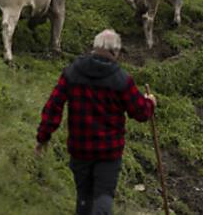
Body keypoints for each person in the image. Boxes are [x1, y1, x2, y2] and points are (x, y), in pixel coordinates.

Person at [35, 28, 156, 215]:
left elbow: (54, 106)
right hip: (109, 151)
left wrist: (43, 137)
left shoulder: (72, 72)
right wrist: (150, 102)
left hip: (80, 148)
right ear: (115, 52)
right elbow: (140, 113)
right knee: (103, 194)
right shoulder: (121, 80)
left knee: (84, 194)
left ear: (94, 47)